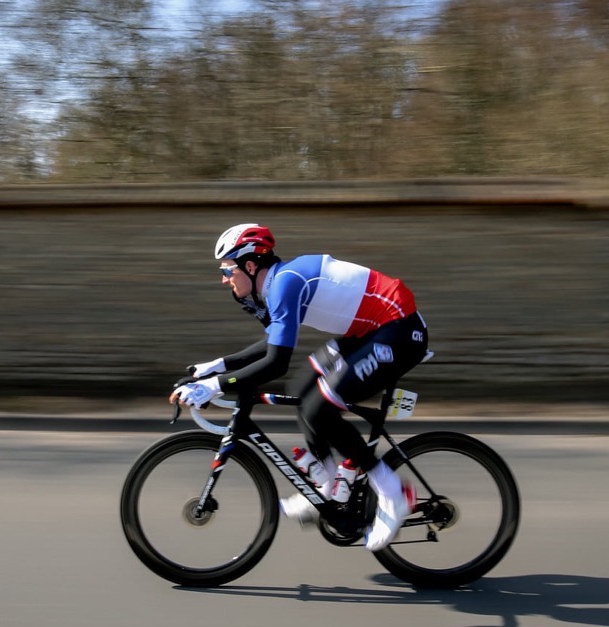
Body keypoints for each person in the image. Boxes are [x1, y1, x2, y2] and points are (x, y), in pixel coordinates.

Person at [169, 223, 429, 551]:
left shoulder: (285, 284)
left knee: (320, 406)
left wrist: (214, 386)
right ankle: (332, 489)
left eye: (227, 269)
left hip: (398, 330)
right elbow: (270, 346)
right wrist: (216, 367)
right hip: (366, 332)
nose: (224, 279)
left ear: (250, 266)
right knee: (302, 388)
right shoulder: (277, 284)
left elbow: (275, 362)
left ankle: (394, 494)